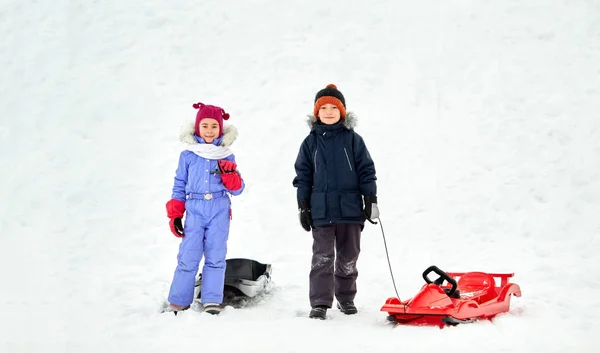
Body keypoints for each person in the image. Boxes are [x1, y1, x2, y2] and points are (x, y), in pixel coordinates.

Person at [293, 84, 380, 320]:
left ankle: (346, 298)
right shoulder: (310, 143)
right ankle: (320, 302)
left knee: (348, 256)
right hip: (322, 211)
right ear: (316, 113)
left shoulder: (353, 140)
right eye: (324, 108)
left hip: (351, 210)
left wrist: (370, 199)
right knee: (322, 258)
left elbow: (366, 170)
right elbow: (303, 177)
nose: (329, 111)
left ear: (342, 112)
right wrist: (304, 206)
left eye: (334, 107)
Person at [164, 102, 245, 315]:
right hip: (195, 209)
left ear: (220, 129)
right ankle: (178, 301)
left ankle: (211, 300)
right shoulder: (188, 155)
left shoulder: (226, 155)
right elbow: (179, 184)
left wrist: (230, 176)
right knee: (188, 255)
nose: (210, 131)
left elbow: (238, 189)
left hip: (219, 209)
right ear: (198, 128)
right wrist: (175, 214)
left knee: (216, 255)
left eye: (214, 127)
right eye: (205, 126)